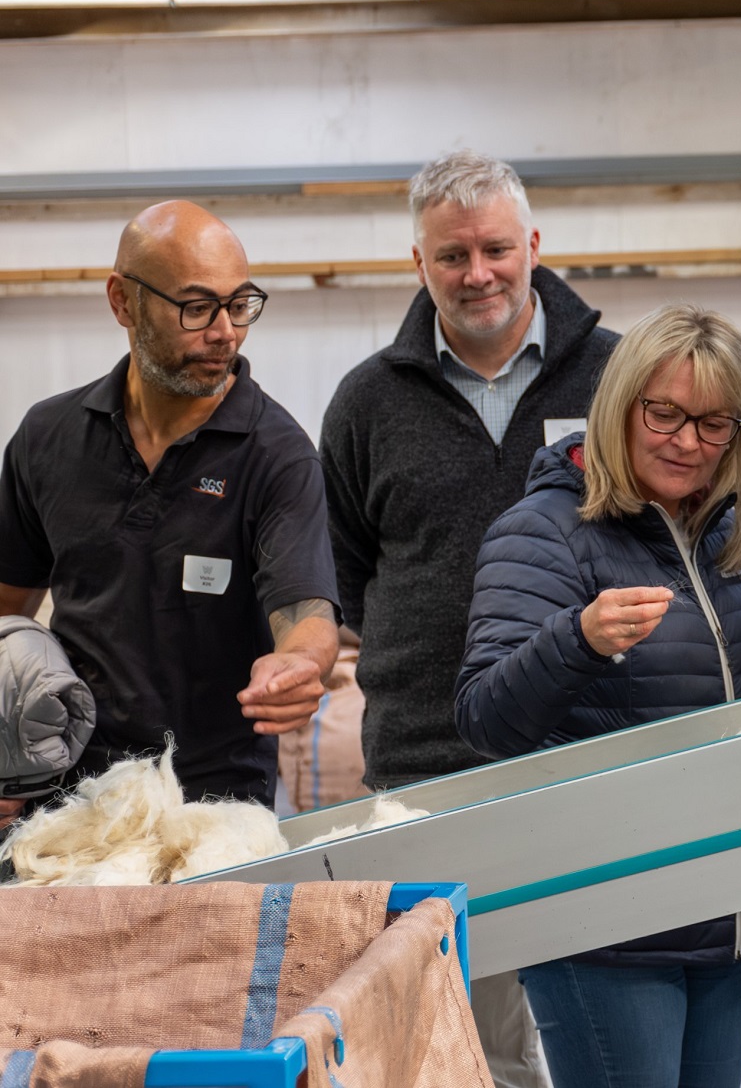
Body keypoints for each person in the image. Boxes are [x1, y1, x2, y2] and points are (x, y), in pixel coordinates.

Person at [321, 150, 619, 1087]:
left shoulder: (616, 375)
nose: (478, 273)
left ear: (533, 245)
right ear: (420, 264)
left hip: (592, 750)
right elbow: (347, 574)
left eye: (496, 248)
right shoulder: (367, 402)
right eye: (452, 256)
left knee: (605, 1027)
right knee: (462, 1041)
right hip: (428, 764)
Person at [456, 305, 741, 1088]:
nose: (685, 442)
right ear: (621, 406)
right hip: (605, 926)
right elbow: (483, 719)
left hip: (722, 910)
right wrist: (576, 639)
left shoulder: (728, 539)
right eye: (665, 413)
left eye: (714, 424)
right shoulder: (545, 532)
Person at [0, 201, 339, 826]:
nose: (225, 332)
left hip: (215, 807)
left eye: (240, 305)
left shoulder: (278, 455)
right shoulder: (47, 437)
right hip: (64, 803)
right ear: (123, 302)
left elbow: (306, 612)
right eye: (196, 307)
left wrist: (300, 661)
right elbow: (6, 608)